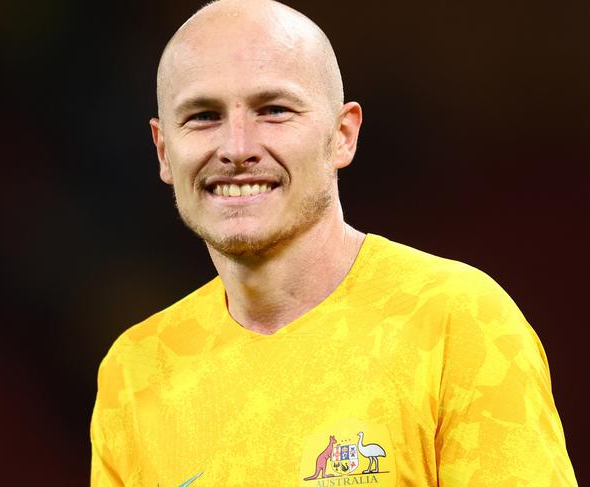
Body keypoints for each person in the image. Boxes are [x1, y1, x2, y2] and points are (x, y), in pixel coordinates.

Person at [90, 1, 577, 485]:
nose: (237, 148)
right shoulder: (135, 372)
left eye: (274, 110)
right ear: (163, 150)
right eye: (202, 116)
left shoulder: (457, 322)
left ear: (342, 135)